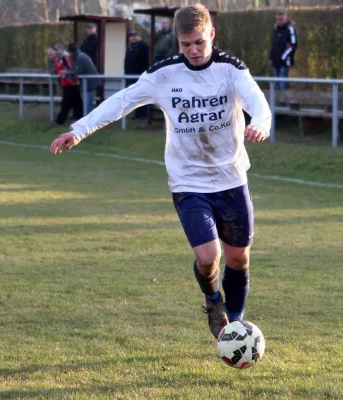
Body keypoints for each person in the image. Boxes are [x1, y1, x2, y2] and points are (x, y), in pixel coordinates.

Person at [50, 4, 271, 340]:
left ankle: (236, 325)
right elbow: (121, 101)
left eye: (199, 42)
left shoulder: (231, 69)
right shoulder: (163, 75)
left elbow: (257, 101)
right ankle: (213, 302)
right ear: (177, 42)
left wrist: (262, 124)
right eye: (186, 45)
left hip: (231, 177)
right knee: (209, 257)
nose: (194, 50)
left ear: (211, 34)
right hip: (188, 181)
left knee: (238, 259)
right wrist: (79, 130)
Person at [52, 44, 82, 125]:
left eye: (57, 50)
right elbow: (58, 69)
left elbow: (70, 69)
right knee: (76, 102)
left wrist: (64, 73)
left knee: (66, 102)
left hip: (71, 83)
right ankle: (77, 118)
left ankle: (60, 120)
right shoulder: (59, 59)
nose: (56, 52)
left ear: (62, 50)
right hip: (66, 83)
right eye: (55, 50)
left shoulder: (65, 58)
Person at [65, 43, 99, 115]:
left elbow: (77, 71)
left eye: (69, 52)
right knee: (87, 101)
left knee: (88, 102)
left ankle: (88, 120)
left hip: (90, 83)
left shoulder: (80, 58)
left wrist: (66, 74)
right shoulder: (78, 57)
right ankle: (87, 119)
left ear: (72, 52)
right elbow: (74, 69)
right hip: (88, 82)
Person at [124, 30, 150, 120]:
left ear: (139, 36)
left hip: (140, 75)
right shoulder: (129, 47)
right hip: (130, 75)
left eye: (135, 35)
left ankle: (143, 114)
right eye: (131, 36)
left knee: (141, 96)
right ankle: (137, 114)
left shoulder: (144, 46)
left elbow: (147, 61)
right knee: (134, 96)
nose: (133, 37)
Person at [268, 11, 297, 91]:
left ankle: (282, 103)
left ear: (286, 19)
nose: (279, 21)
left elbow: (293, 45)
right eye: (278, 19)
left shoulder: (290, 29)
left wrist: (283, 57)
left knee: (282, 85)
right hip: (275, 62)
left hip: (284, 63)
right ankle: (277, 103)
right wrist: (270, 58)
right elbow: (273, 45)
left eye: (281, 19)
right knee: (276, 86)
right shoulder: (275, 30)